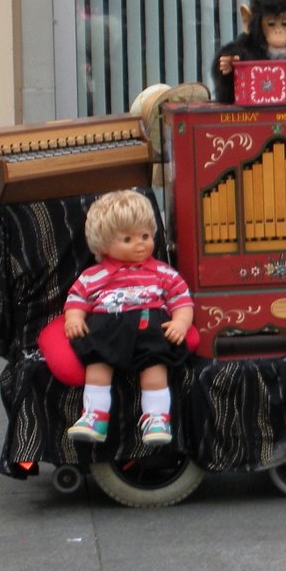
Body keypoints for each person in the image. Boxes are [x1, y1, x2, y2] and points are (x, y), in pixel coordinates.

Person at [63, 190, 194, 446]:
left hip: (149, 331)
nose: (140, 244)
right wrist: (74, 318)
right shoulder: (94, 275)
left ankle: (157, 419)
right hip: (107, 333)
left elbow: (182, 300)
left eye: (145, 236)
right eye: (128, 238)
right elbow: (76, 299)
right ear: (103, 244)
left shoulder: (162, 273)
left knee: (155, 371)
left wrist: (180, 322)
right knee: (98, 368)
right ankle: (94, 417)